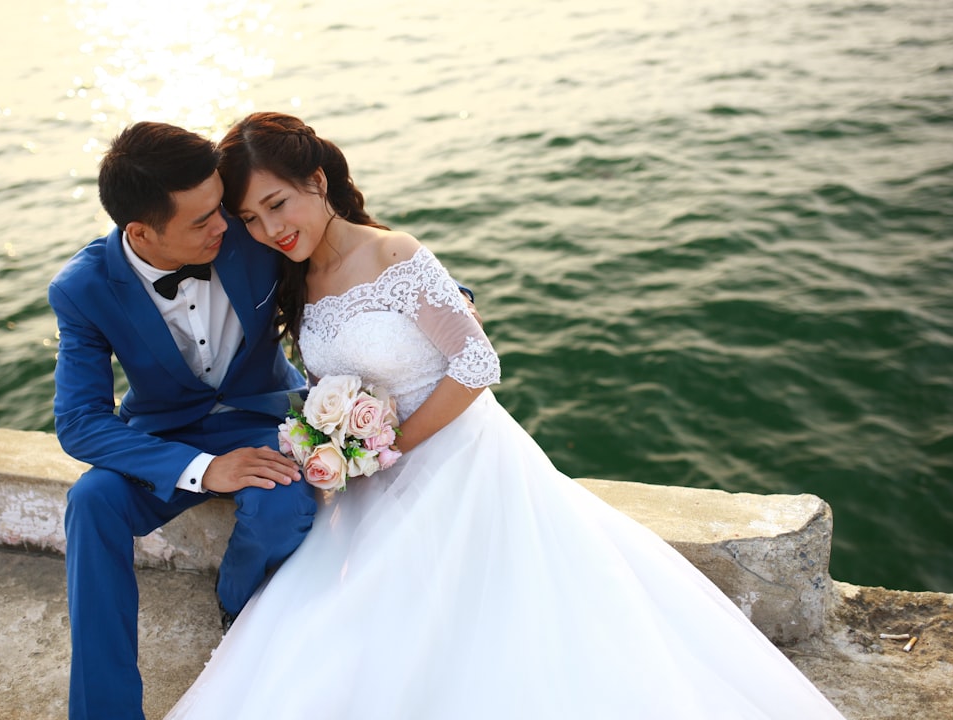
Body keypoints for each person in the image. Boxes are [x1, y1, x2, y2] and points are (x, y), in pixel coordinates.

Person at [164, 112, 847, 719]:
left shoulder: (394, 253)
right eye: (252, 219)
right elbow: (326, 379)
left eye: (277, 204)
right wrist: (335, 440)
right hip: (372, 473)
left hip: (460, 452)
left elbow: (476, 363)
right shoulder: (300, 279)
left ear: (316, 181)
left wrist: (389, 442)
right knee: (329, 626)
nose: (271, 229)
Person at [48, 122, 319, 720]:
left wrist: (436, 292)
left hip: (260, 415)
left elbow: (347, 247)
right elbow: (79, 422)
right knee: (92, 502)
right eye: (201, 220)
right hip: (164, 434)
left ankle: (237, 608)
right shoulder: (82, 289)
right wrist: (204, 470)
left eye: (219, 206)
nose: (224, 225)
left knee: (283, 503)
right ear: (140, 231)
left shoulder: (248, 237)